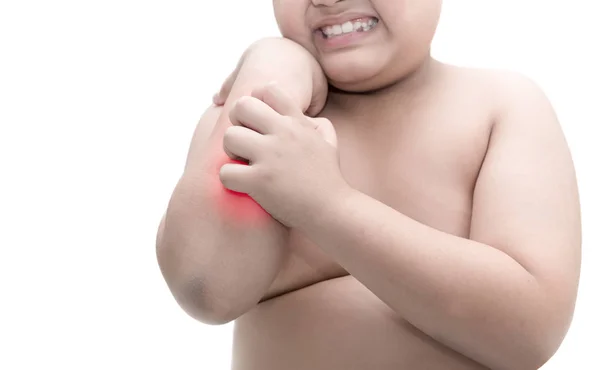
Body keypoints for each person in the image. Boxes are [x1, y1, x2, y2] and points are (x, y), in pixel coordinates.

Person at [156, 0, 581, 369]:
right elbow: (204, 289)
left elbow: (529, 333)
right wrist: (266, 76)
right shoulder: (261, 126)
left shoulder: (498, 108)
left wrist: (326, 206)